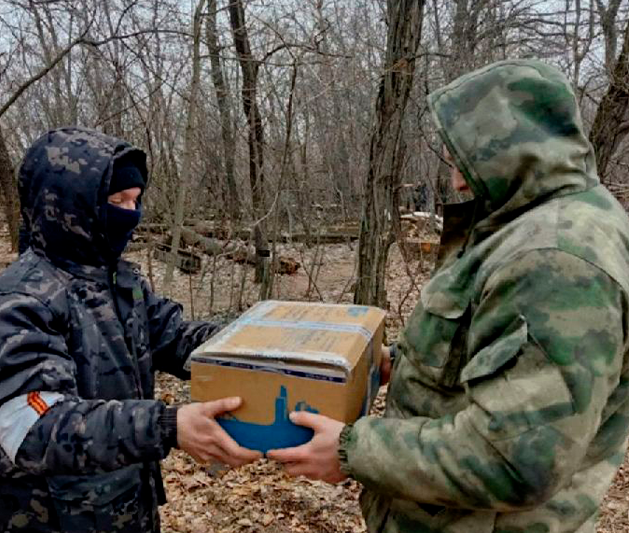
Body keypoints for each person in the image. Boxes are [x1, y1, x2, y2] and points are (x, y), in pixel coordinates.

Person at [268, 58, 629, 532]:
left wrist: (353, 451)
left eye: (468, 160)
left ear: (514, 148)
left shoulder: (555, 258)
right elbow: (490, 349)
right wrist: (405, 362)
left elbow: (515, 460)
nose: (458, 180)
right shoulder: (523, 224)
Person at [0, 127, 260, 533]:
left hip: (125, 505)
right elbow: (32, 427)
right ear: (72, 206)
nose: (131, 213)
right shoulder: (18, 300)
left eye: (136, 201)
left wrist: (256, 343)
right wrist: (167, 426)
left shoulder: (118, 280)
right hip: (53, 518)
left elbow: (175, 337)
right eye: (117, 201)